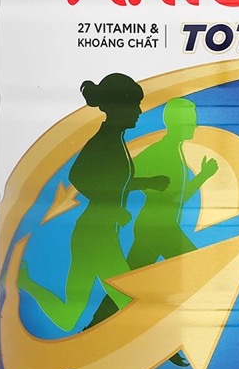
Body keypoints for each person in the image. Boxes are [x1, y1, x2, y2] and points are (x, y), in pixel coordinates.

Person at [18, 73, 168, 332]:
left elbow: (113, 181)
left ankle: (25, 282)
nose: (139, 112)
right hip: (98, 235)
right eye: (135, 105)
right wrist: (109, 207)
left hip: (94, 233)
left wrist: (147, 182)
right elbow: (78, 176)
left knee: (70, 316)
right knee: (129, 300)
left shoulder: (115, 140)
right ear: (120, 107)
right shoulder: (104, 142)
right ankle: (161, 349)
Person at [128, 98, 218, 269]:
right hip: (157, 227)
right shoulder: (161, 151)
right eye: (191, 120)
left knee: (128, 280)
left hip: (161, 225)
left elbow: (177, 196)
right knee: (196, 270)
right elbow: (125, 177)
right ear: (176, 123)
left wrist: (203, 175)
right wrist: (149, 186)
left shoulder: (173, 151)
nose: (195, 125)